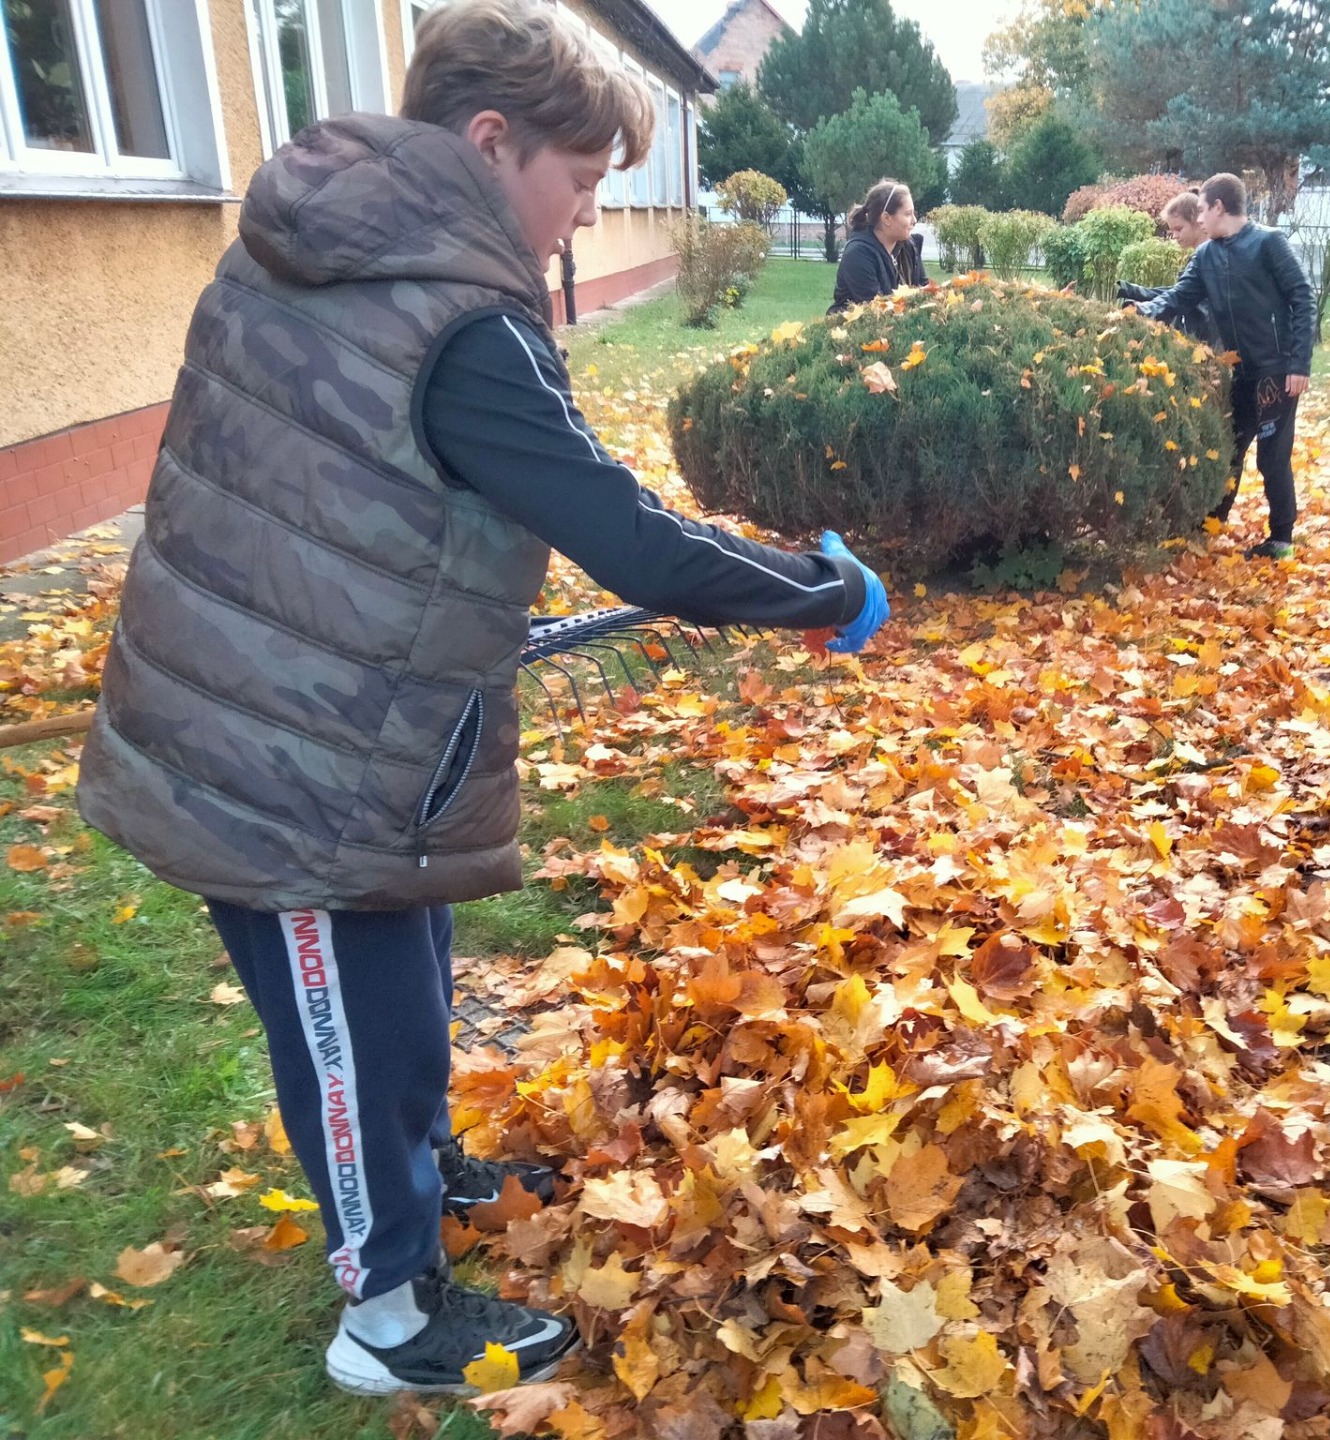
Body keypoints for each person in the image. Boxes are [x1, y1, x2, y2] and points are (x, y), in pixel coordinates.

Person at [75, 0, 887, 1399]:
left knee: (409, 977)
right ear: (490, 139)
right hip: (289, 752)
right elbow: (624, 532)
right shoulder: (460, 323)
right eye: (576, 183)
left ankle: (425, 1175)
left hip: (330, 708)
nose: (583, 215)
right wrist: (818, 591)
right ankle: (384, 1317)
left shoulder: (302, 249)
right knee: (345, 1021)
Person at [1125, 173, 1314, 560]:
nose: (1198, 219)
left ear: (1218, 207)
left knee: (1271, 456)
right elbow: (1178, 298)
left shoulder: (1268, 243)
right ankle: (1213, 523)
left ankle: (1281, 538)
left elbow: (1303, 297)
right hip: (1239, 371)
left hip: (1277, 370)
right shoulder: (1206, 255)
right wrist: (1139, 311)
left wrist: (1299, 363)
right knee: (1229, 449)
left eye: (1200, 210)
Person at [1117, 190, 1214, 345]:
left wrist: (1143, 307)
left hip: (1206, 341)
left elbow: (1180, 296)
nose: (1174, 236)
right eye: (1171, 230)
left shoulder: (1208, 257)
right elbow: (1182, 291)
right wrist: (1133, 291)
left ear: (1196, 221)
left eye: (1179, 229)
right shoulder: (1203, 255)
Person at [830, 178, 928, 313]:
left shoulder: (909, 247)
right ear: (886, 218)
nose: (914, 221)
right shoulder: (858, 255)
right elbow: (877, 310)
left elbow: (926, 292)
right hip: (858, 331)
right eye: (908, 214)